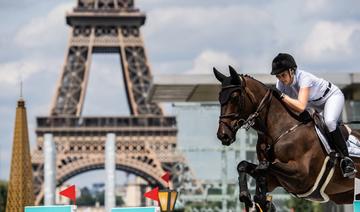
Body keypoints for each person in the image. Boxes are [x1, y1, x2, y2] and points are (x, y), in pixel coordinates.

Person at [270, 53, 356, 178]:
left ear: (292, 71)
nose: (281, 79)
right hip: (314, 105)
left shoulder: (304, 78)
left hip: (331, 97)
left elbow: (300, 106)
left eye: (283, 75)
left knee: (329, 122)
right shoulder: (280, 85)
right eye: (278, 76)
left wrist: (282, 96)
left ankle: (346, 160)